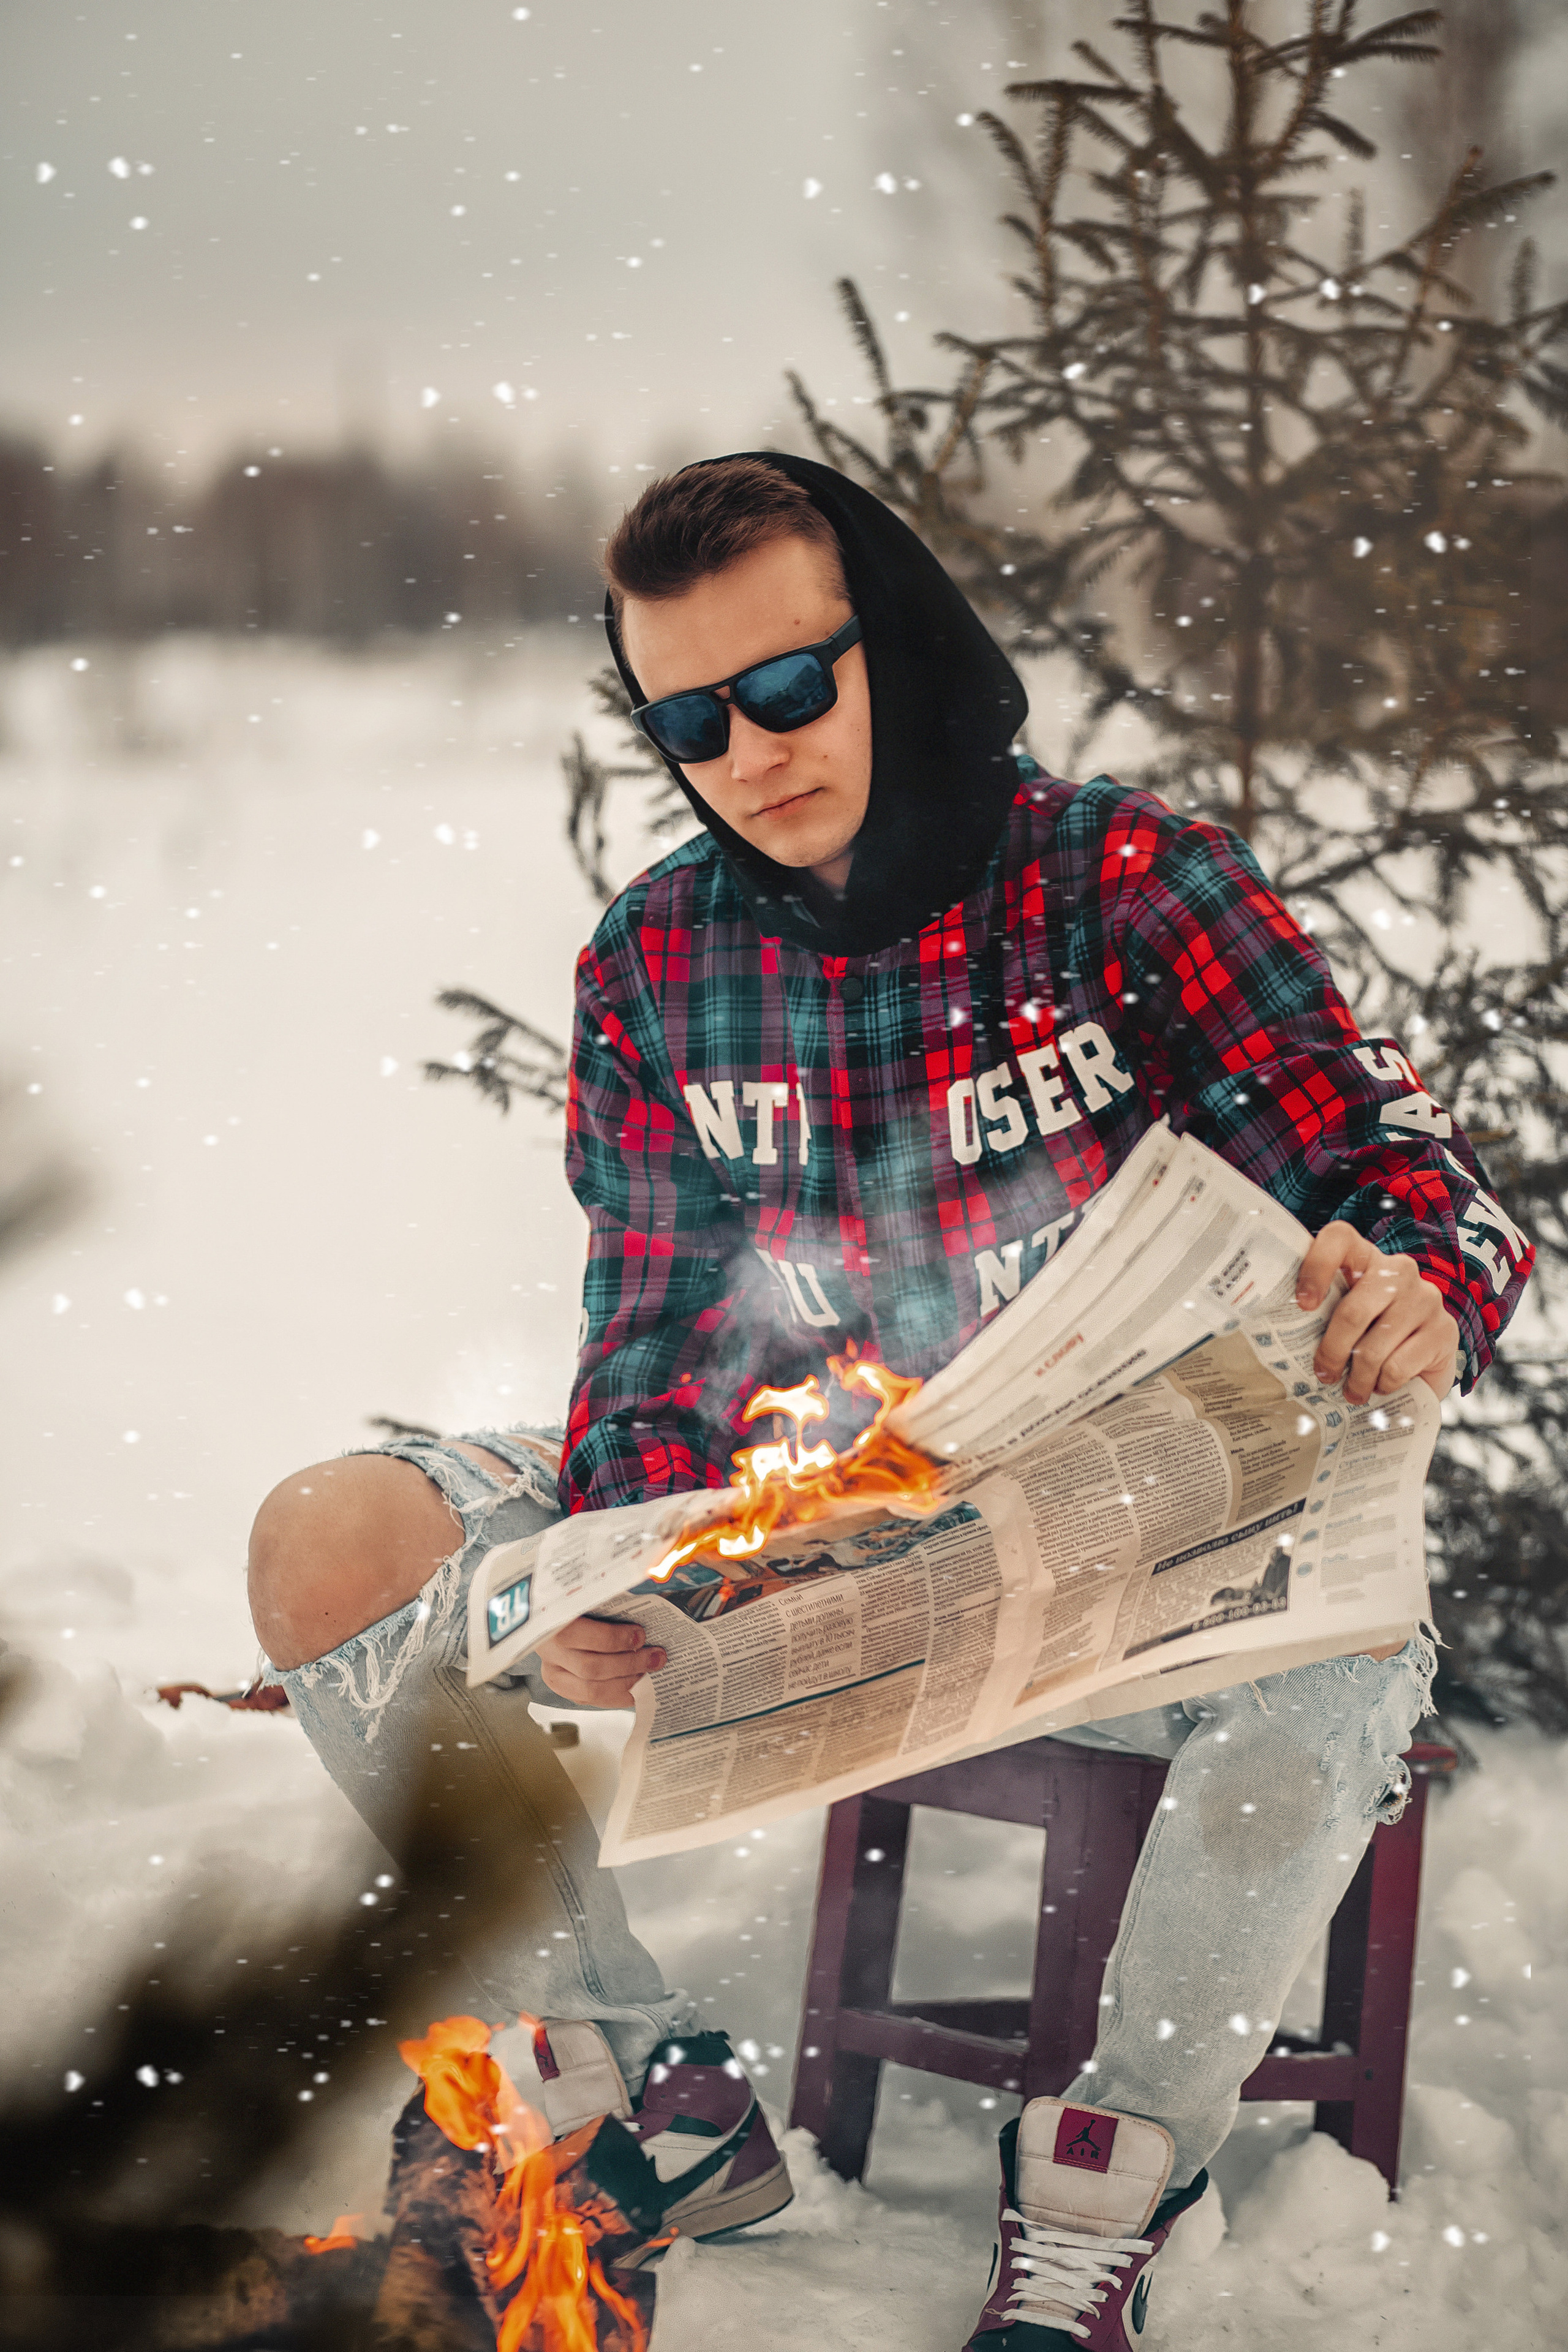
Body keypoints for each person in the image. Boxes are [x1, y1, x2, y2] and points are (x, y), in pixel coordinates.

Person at [248, 454, 1532, 2345]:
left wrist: (1414, 1282)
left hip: (1150, 1537)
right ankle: (633, 2105)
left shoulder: (1125, 884)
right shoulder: (660, 968)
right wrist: (633, 1559)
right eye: (692, 720)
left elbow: (1400, 1172)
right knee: (334, 1543)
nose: (749, 752)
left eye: (788, 688)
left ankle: (1102, 2186)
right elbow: (662, 1336)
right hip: (834, 1521)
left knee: (1342, 1657)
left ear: (898, 652)